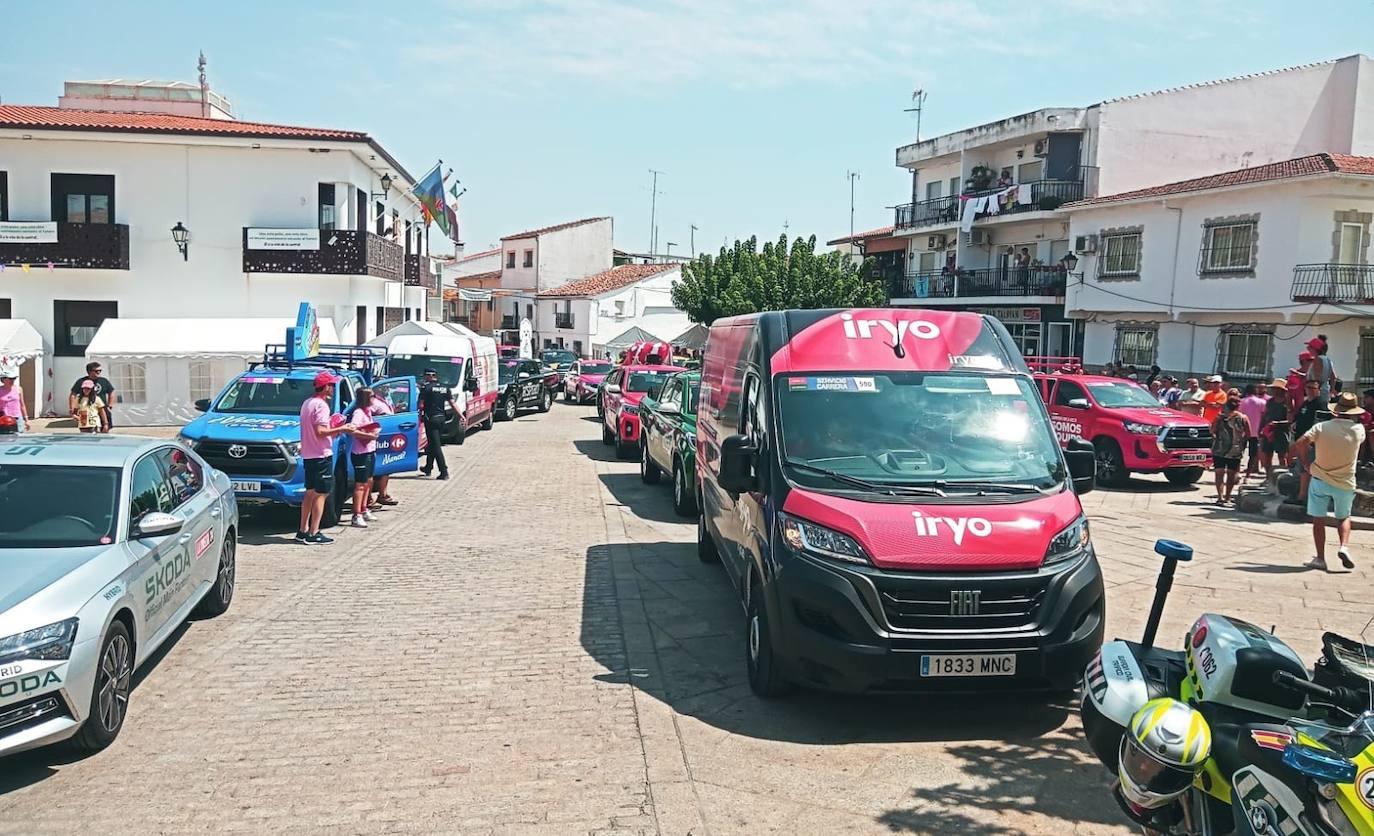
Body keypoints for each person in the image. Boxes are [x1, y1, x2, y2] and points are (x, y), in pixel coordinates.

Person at [1291, 391, 1366, 572]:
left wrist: (1306, 464)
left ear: (1336, 410)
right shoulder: (1359, 430)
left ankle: (1320, 558)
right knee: (1343, 517)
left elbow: (1300, 443)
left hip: (1320, 478)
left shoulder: (1322, 427)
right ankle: (1344, 547)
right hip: (1345, 481)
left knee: (1319, 519)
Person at [296, 371, 355, 545]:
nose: (333, 388)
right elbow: (320, 432)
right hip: (321, 454)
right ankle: (314, 532)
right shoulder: (321, 405)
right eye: (332, 385)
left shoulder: (307, 403)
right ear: (326, 387)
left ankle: (302, 530)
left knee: (309, 493)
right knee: (321, 494)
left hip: (309, 454)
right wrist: (342, 429)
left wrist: (333, 427)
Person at [348, 388, 381, 529]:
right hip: (360, 453)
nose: (374, 399)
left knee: (369, 481)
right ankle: (356, 515)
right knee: (360, 484)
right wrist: (369, 436)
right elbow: (352, 430)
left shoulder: (368, 412)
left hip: (370, 450)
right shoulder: (358, 413)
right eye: (372, 396)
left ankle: (364, 508)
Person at [1210, 393, 1250, 505]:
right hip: (1235, 450)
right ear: (1238, 406)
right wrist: (1240, 442)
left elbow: (1212, 430)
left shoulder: (1220, 417)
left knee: (1219, 473)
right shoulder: (1243, 418)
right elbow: (1248, 434)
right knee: (1231, 474)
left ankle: (1220, 497)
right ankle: (1227, 497)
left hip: (1219, 448)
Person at [418, 369, 456, 480]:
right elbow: (452, 404)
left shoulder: (426, 388)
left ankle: (444, 471)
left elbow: (420, 405)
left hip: (431, 419)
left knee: (436, 446)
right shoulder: (445, 387)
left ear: (428, 376)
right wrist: (461, 415)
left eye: (425, 376)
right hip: (441, 419)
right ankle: (428, 467)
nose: (424, 378)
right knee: (432, 444)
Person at [1293, 379, 1324, 502]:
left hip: (1311, 442)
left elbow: (1320, 423)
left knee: (1307, 469)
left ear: (1318, 390)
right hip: (1301, 440)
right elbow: (1299, 417)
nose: (1310, 390)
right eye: (1308, 388)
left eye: (1313, 388)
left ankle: (1303, 497)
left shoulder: (1320, 404)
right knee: (1302, 469)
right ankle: (1302, 495)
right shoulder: (1305, 403)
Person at [367, 390, 399, 509]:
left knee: (386, 466)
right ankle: (368, 498)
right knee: (372, 470)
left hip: (385, 435)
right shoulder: (372, 403)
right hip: (376, 437)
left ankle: (383, 494)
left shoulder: (384, 398)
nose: (387, 388)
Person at [1259, 378, 1292, 488]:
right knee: (1267, 456)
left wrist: (1277, 423)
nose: (1273, 391)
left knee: (1282, 456)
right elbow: (1265, 416)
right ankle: (1268, 477)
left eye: (1275, 389)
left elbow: (1290, 420)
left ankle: (1282, 479)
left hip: (1281, 432)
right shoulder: (1270, 402)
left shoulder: (1287, 402)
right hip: (1269, 431)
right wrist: (1261, 428)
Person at [69, 361, 116, 433]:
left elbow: (111, 391)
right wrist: (72, 408)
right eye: (97, 371)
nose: (99, 372)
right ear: (89, 371)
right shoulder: (82, 381)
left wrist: (110, 404)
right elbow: (73, 394)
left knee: (105, 429)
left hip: (102, 408)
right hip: (87, 411)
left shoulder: (104, 381)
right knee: (87, 431)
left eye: (100, 371)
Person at [1238, 383, 1268, 480]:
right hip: (1256, 432)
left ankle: (1236, 472)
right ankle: (1248, 475)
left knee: (1238, 453)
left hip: (1242, 432)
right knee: (1253, 454)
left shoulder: (1242, 402)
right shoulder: (1262, 402)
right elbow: (1264, 417)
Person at [1305, 336, 1337, 404]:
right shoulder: (1327, 360)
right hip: (1325, 391)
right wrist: (1331, 390)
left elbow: (1317, 378)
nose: (1308, 349)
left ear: (1315, 349)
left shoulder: (1317, 360)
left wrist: (1315, 392)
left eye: (1309, 347)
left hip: (1316, 394)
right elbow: (1333, 377)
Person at [0, 368, 27, 433]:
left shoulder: (19, 389)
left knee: (19, 435)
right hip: (4, 418)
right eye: (10, 379)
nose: (12, 380)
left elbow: (22, 404)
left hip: (17, 417)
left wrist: (26, 418)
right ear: (3, 379)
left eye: (14, 378)